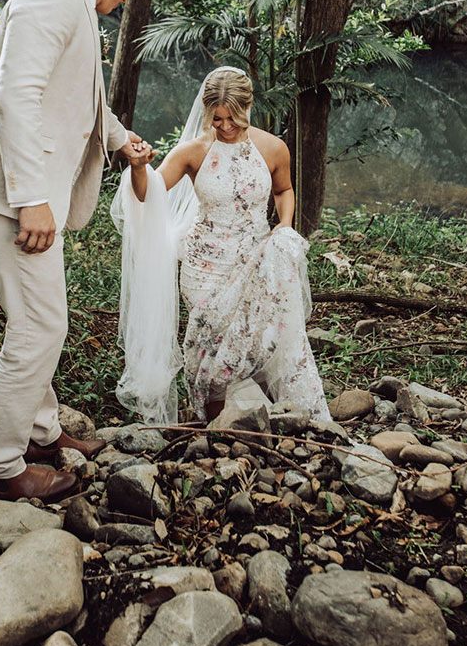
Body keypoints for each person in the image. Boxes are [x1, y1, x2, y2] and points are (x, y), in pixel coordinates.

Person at [0, 0, 154, 502]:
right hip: (6, 197)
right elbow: (17, 95)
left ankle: (38, 433)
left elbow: (79, 102)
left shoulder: (74, 7)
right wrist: (32, 197)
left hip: (15, 195)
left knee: (36, 317)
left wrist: (119, 139)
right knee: (41, 326)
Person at [113, 66, 329, 424]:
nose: (226, 126)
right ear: (206, 112)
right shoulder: (193, 152)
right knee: (209, 341)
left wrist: (284, 227)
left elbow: (283, 190)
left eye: (234, 118)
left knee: (256, 335)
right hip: (205, 265)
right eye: (217, 119)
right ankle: (214, 419)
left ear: (248, 108)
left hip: (255, 256)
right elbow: (147, 192)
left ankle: (256, 409)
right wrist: (138, 167)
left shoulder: (273, 148)